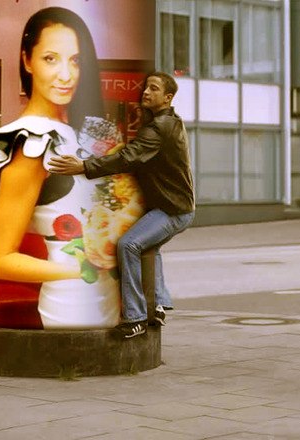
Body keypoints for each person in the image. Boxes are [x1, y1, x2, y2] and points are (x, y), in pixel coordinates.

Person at [0, 7, 144, 329]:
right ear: (27, 61)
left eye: (76, 60)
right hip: (70, 304)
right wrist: (84, 268)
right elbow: (0, 261)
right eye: (50, 59)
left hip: (109, 297)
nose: (66, 75)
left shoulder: (79, 133)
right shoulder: (30, 142)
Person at [48, 71, 195, 338]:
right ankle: (158, 303)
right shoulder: (171, 121)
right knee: (150, 246)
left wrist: (84, 166)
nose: (146, 92)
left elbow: (128, 157)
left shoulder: (158, 128)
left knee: (128, 245)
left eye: (153, 88)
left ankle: (135, 318)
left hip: (172, 210)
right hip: (177, 206)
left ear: (168, 97)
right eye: (146, 87)